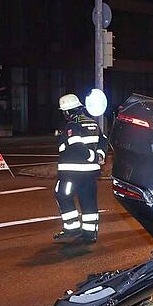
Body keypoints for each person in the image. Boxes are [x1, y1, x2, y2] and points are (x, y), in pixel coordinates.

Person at [53, 93, 108, 243]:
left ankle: (72, 229)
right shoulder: (93, 122)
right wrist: (100, 156)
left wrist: (92, 156)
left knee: (62, 195)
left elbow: (76, 146)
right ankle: (90, 234)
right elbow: (103, 141)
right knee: (88, 201)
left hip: (72, 173)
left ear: (68, 111)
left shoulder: (72, 125)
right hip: (90, 173)